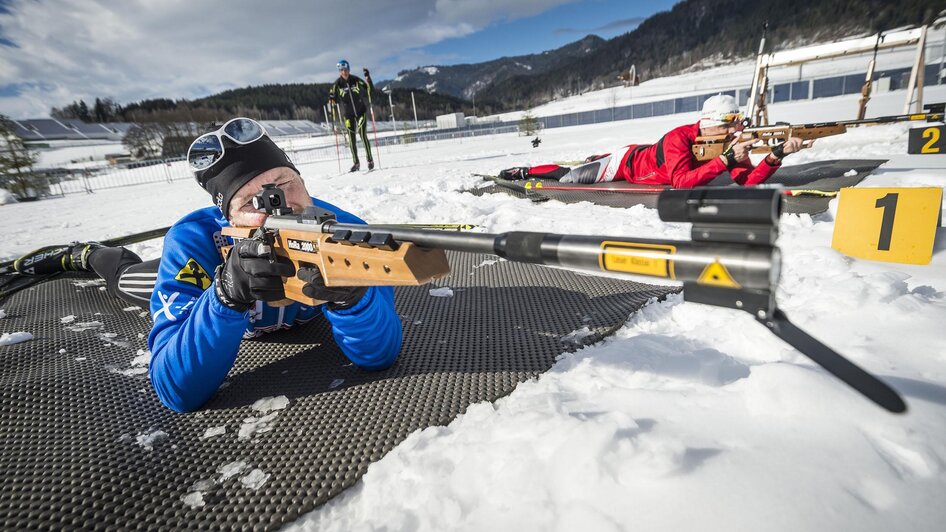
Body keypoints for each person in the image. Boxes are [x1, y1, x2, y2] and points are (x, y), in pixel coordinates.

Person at [13, 118, 403, 412]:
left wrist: (353, 298)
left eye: (285, 182)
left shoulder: (344, 228)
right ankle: (87, 253)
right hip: (201, 284)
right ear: (227, 217)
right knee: (126, 279)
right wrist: (224, 295)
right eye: (252, 201)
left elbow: (381, 354)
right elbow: (175, 390)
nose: (280, 205)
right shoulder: (194, 240)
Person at [498, 94, 810, 188]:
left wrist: (777, 156)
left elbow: (746, 180)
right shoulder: (679, 138)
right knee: (569, 177)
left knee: (587, 164)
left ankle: (597, 155)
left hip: (643, 155)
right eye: (732, 124)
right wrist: (725, 161)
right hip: (626, 164)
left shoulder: (727, 144)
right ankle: (524, 171)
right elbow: (681, 181)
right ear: (715, 123)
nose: (736, 131)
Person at [329, 59, 375, 172]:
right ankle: (356, 163)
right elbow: (332, 99)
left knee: (363, 134)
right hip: (348, 115)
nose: (344, 72)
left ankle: (370, 160)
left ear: (348, 69)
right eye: (341, 70)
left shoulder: (355, 80)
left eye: (345, 69)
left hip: (360, 112)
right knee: (351, 138)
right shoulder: (337, 84)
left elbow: (369, 88)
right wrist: (332, 99)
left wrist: (368, 77)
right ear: (339, 71)